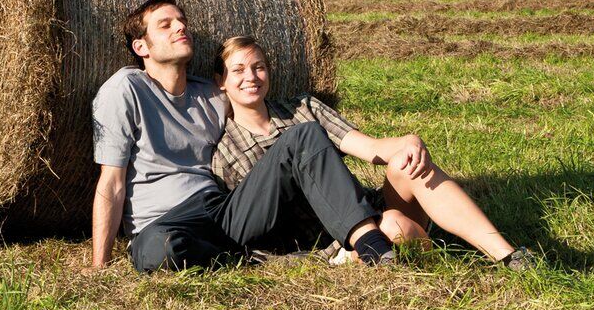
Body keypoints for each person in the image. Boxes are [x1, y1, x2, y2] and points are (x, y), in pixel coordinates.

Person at [89, 0, 392, 272]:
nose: (180, 27)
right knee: (160, 251)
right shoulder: (125, 89)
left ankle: (374, 248)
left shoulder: (211, 94)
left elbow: (254, 98)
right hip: (164, 223)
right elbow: (112, 182)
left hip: (222, 210)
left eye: (182, 22)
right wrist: (99, 265)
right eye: (165, 25)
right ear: (140, 47)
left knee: (304, 136)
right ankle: (254, 259)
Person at [210, 34, 536, 270]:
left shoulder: (302, 108)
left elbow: (367, 147)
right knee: (396, 226)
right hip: (324, 238)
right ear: (221, 82)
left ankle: (507, 255)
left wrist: (407, 142)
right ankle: (430, 254)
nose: (251, 77)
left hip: (363, 209)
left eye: (259, 67)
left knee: (406, 165)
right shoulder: (225, 152)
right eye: (238, 70)